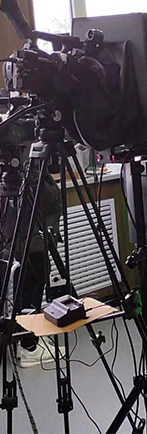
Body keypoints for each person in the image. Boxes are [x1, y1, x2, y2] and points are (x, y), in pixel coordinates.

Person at [0, 124, 63, 367]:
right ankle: (28, 346)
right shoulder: (22, 156)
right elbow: (48, 200)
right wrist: (35, 173)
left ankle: (22, 341)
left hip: (16, 232)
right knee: (32, 278)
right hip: (25, 235)